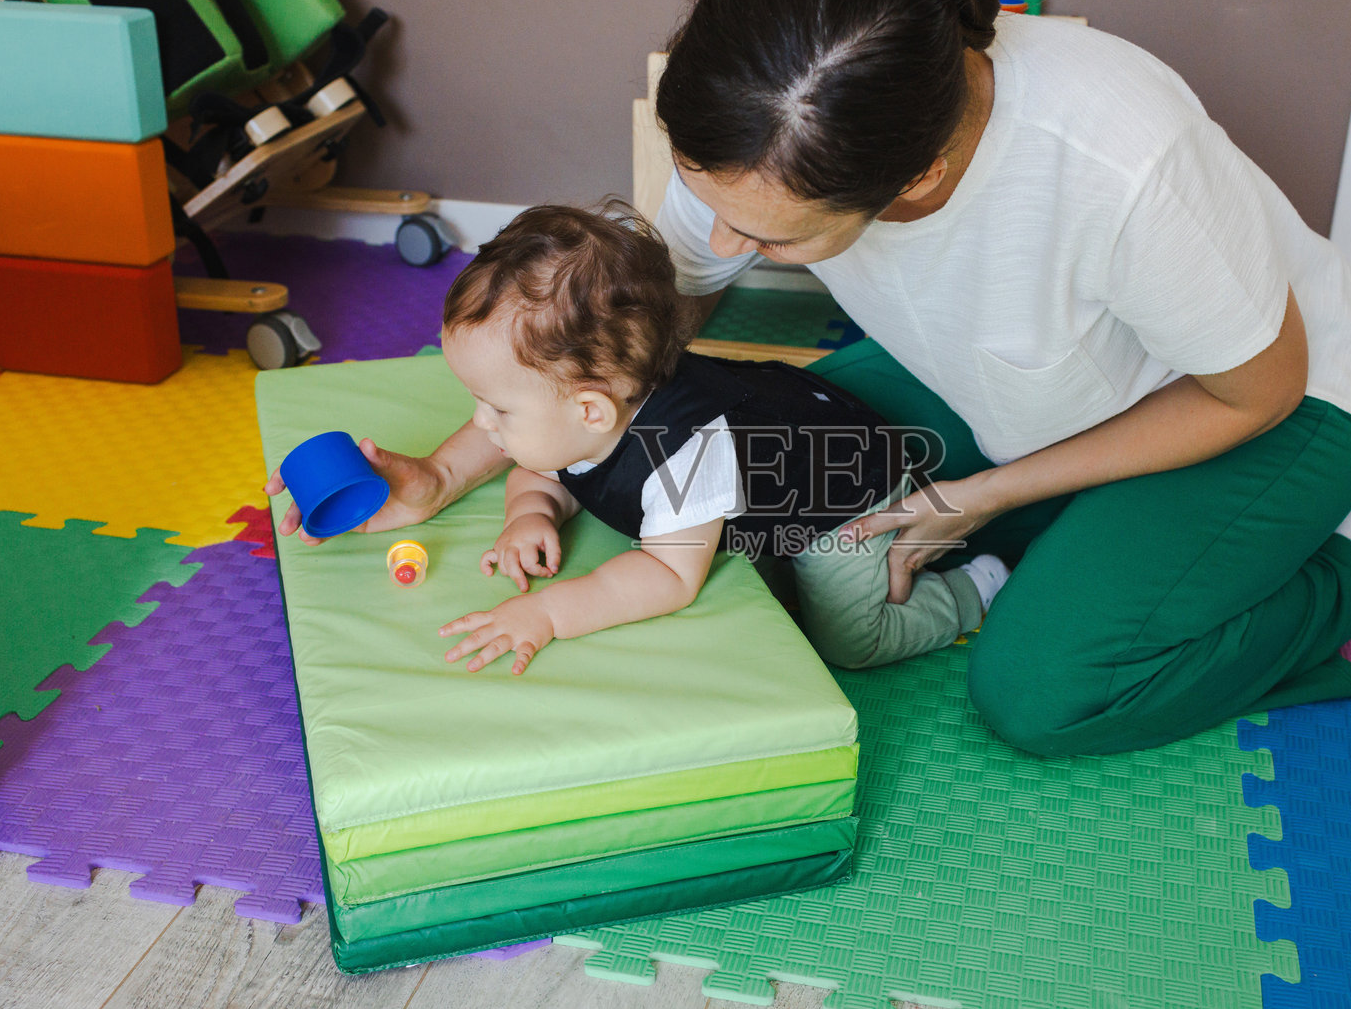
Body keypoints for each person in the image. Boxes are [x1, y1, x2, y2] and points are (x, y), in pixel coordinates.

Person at [269, 0, 1351, 756]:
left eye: (770, 240)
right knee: (778, 472)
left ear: (918, 178)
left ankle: (1348, 564)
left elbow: (1255, 386)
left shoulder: (1116, 159)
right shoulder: (763, 118)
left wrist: (987, 496)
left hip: (1266, 407)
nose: (722, 240)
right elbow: (607, 356)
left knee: (1043, 692)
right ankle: (1090, 533)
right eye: (702, 189)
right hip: (1010, 378)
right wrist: (449, 469)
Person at [410, 203, 1012, 674]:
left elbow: (669, 577)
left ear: (591, 411)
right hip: (771, 470)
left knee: (848, 640)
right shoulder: (583, 418)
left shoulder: (685, 456)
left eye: (498, 409)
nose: (482, 426)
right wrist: (530, 514)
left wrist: (546, 612)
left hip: (845, 495)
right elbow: (547, 472)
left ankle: (974, 588)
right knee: (770, 588)